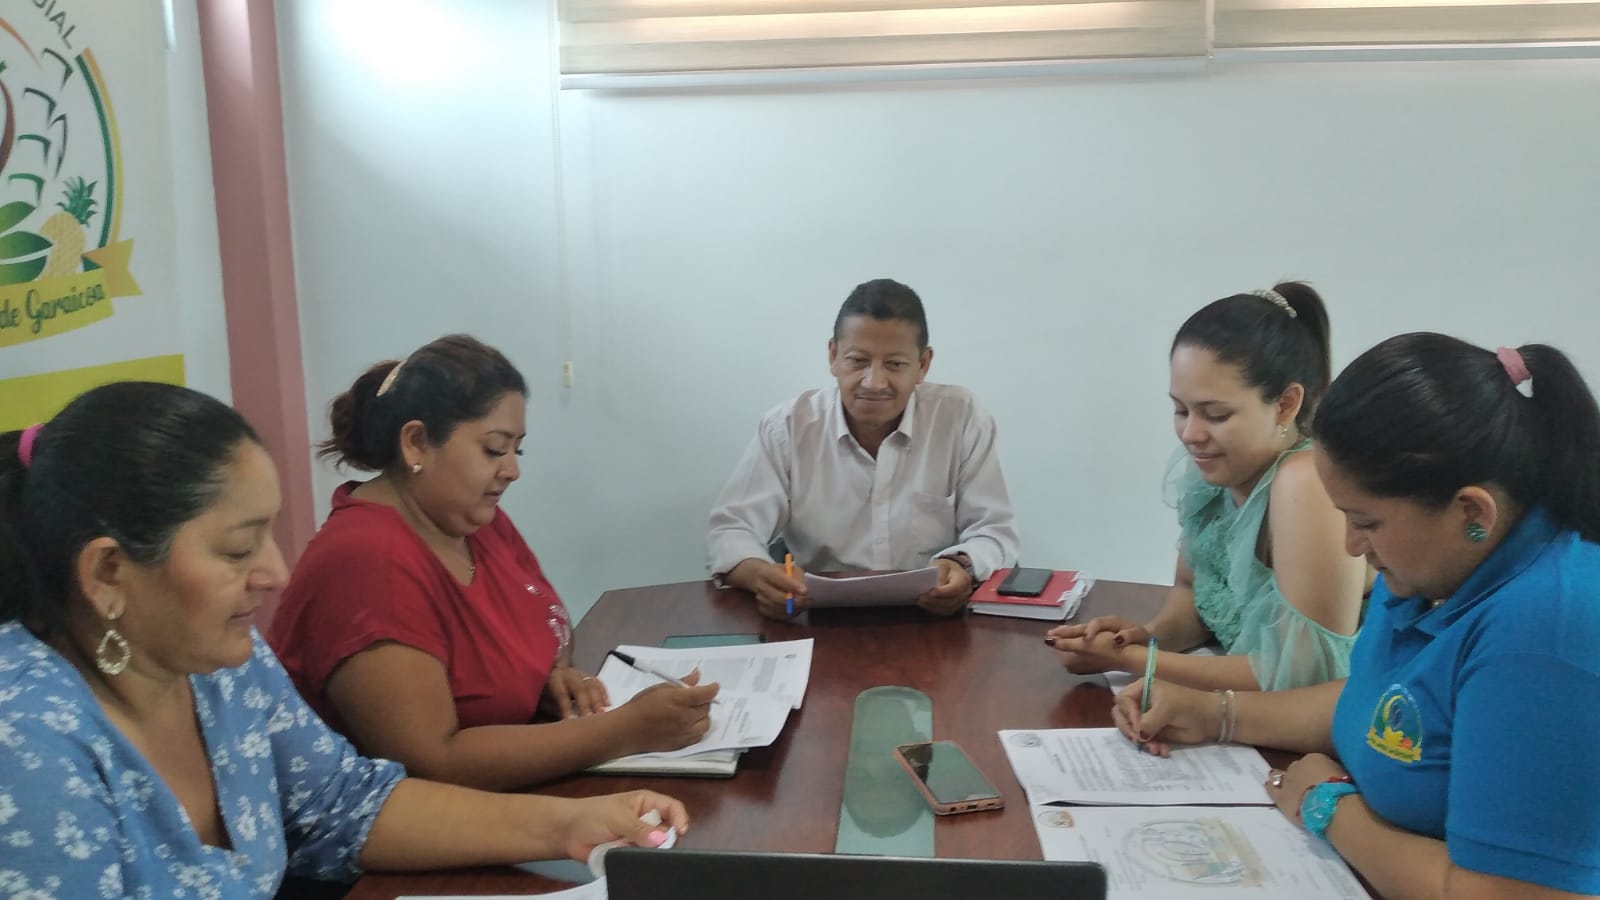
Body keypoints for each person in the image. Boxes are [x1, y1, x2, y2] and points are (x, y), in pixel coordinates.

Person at [0, 382, 690, 897]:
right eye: (238, 550)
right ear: (108, 573)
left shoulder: (221, 665)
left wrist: (570, 826)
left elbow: (343, 804)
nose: (275, 573)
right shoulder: (26, 742)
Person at [1115, 334, 1600, 899]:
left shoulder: (1546, 632)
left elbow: (1508, 895)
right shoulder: (1436, 568)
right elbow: (1382, 704)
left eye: (1366, 523)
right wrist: (1216, 713)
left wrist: (1327, 806)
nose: (1351, 545)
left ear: (1472, 511)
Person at [268, 335, 717, 791]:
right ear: (417, 443)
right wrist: (623, 731)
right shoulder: (365, 561)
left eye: (516, 451)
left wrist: (552, 678)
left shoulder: (474, 521)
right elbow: (431, 763)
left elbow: (547, 623)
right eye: (494, 449)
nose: (512, 470)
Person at [1050, 283, 1366, 691]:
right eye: (1180, 410)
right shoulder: (1219, 468)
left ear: (1286, 404)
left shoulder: (1306, 482)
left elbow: (1301, 674)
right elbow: (1193, 596)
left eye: (1215, 414)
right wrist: (1141, 639)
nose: (1191, 434)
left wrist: (1136, 660)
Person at [707, 278, 1020, 620]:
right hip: (815, 616)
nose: (874, 382)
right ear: (833, 356)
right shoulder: (788, 427)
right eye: (857, 361)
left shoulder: (961, 418)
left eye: (895, 364)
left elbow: (994, 532)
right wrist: (761, 577)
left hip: (936, 617)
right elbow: (731, 530)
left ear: (923, 365)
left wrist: (961, 565)